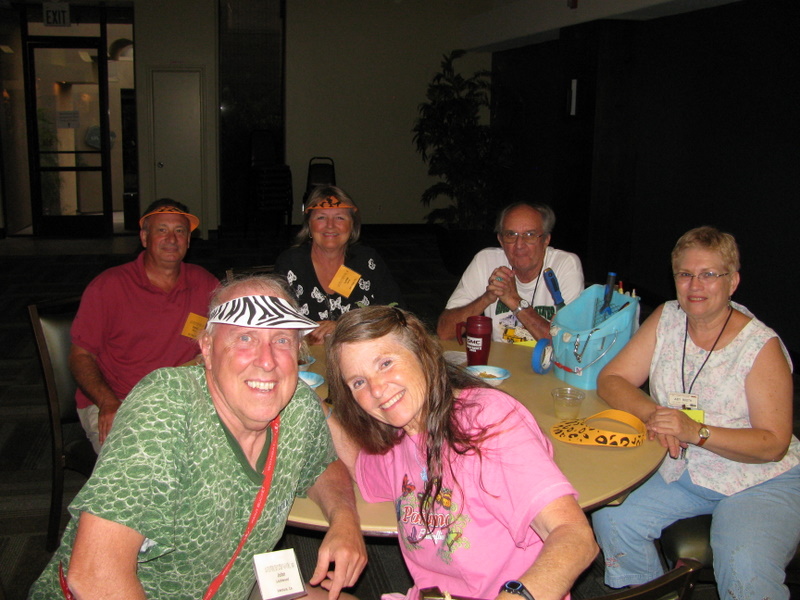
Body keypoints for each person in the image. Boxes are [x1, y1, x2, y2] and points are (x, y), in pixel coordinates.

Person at [29, 275, 367, 600]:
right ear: (207, 347)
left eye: (281, 340)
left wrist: (345, 521)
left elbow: (323, 464)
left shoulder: (297, 405)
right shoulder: (165, 408)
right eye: (245, 338)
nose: (267, 362)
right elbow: (95, 574)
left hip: (235, 585)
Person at [325, 305, 597, 600]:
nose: (376, 389)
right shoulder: (397, 440)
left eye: (385, 363)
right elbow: (360, 467)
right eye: (358, 382)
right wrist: (318, 407)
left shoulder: (488, 421)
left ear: (421, 352)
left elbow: (575, 536)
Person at [592, 226, 800, 599]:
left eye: (709, 274)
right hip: (684, 467)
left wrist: (695, 432)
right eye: (685, 274)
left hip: (759, 478)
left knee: (744, 564)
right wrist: (655, 414)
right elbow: (611, 379)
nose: (695, 285)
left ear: (732, 281)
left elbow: (773, 444)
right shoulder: (667, 318)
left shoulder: (760, 346)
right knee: (613, 518)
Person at [69, 198, 220, 453]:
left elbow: (233, 331)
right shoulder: (109, 286)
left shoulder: (204, 283)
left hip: (181, 398)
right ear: (144, 237)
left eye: (179, 231)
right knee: (138, 463)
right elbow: (80, 356)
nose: (171, 239)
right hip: (118, 399)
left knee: (226, 452)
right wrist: (107, 403)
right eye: (162, 230)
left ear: (188, 240)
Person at [437, 202, 583, 344]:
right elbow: (444, 332)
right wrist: (487, 298)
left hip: (546, 360)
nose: (519, 245)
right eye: (511, 235)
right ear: (501, 240)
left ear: (546, 240)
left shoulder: (565, 265)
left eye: (530, 235)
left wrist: (514, 301)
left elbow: (569, 344)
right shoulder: (485, 260)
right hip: (501, 359)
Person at [275, 185, 404, 345]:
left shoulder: (366, 261)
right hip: (306, 353)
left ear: (352, 225)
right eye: (321, 218)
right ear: (309, 224)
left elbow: (396, 314)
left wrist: (343, 328)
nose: (330, 225)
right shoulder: (291, 263)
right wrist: (306, 334)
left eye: (340, 218)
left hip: (359, 351)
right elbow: (275, 322)